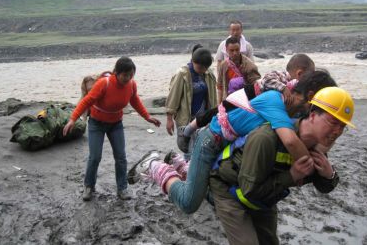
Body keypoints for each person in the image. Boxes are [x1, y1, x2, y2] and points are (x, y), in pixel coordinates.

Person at [128, 71, 333, 215]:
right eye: (327, 106)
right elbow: (290, 141)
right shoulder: (275, 99)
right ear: (311, 96)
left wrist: (327, 171)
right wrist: (309, 170)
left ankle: (180, 163)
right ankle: (154, 165)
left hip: (231, 146)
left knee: (217, 195)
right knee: (189, 202)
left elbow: (315, 144)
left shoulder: (298, 111)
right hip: (210, 141)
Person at [209, 86, 355, 245]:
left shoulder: (315, 148)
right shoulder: (266, 138)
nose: (337, 131)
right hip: (228, 187)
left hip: (263, 195)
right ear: (313, 116)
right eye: (333, 122)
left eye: (342, 126)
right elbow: (249, 191)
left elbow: (324, 187)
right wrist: (291, 176)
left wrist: (329, 174)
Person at [63, 56, 161, 201]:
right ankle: (89, 186)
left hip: (116, 124)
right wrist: (72, 119)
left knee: (121, 157)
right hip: (96, 124)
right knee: (95, 157)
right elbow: (87, 101)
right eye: (125, 75)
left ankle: (122, 188)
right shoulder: (104, 83)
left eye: (131, 75)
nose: (128, 78)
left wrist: (147, 117)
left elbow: (135, 101)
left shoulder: (131, 85)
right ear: (116, 72)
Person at [177, 53, 316, 150]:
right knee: (218, 111)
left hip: (253, 105)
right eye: (309, 75)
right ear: (299, 73)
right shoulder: (283, 77)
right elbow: (267, 79)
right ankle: (188, 130)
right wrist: (283, 88)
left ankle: (197, 130)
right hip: (248, 94)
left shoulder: (296, 88)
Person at [165, 45, 217, 157]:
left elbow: (213, 95)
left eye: (205, 68)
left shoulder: (208, 74)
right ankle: (188, 170)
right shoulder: (182, 74)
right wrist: (169, 118)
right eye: (199, 68)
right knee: (187, 148)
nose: (202, 71)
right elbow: (174, 95)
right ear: (193, 61)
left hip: (203, 118)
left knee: (201, 147)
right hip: (187, 117)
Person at [217, 36, 260, 103]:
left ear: (240, 48)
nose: (235, 53)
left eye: (237, 50)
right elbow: (220, 86)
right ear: (226, 49)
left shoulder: (250, 66)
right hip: (228, 100)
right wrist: (219, 105)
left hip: (246, 100)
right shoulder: (223, 65)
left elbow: (256, 86)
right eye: (232, 50)